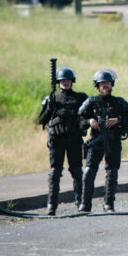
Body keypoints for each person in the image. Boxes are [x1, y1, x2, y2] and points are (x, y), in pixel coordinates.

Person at [78, 69, 128, 212]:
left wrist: (118, 120)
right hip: (96, 140)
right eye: (102, 83)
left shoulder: (119, 102)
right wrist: (89, 121)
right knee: (89, 171)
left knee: (112, 172)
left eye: (108, 83)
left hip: (113, 140)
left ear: (112, 84)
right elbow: (78, 118)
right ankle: (85, 204)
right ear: (97, 85)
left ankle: (109, 203)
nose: (105, 85)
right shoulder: (91, 101)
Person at [37, 66, 88, 215]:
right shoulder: (51, 98)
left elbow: (87, 116)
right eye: (62, 80)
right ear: (58, 82)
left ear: (72, 81)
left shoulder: (80, 98)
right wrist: (49, 110)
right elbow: (41, 121)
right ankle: (51, 206)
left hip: (74, 139)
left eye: (68, 80)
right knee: (55, 173)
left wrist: (72, 113)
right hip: (57, 141)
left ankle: (81, 203)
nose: (65, 82)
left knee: (77, 171)